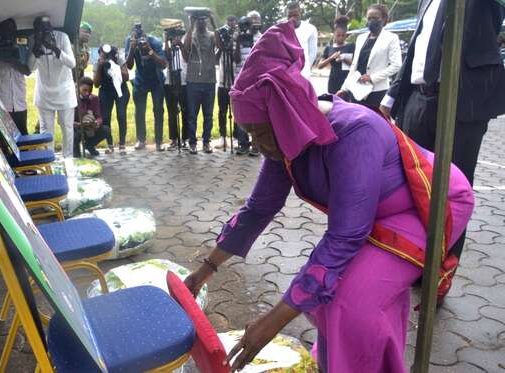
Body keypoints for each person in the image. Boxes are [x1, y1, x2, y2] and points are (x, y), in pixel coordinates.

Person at [183, 22, 474, 372]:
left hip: (426, 204)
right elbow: (258, 209)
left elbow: (344, 236)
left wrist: (269, 324)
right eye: (249, 134)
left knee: (346, 302)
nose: (257, 145)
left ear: (285, 118)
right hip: (371, 217)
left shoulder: (355, 133)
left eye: (260, 133)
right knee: (338, 292)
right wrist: (204, 271)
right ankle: (359, 360)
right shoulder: (285, 144)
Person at [380, 0, 505, 263]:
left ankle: (440, 270)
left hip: (461, 103)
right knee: (411, 184)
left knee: (452, 190)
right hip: (418, 99)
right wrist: (392, 96)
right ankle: (412, 259)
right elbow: (418, 47)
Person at [28, 16, 77, 158]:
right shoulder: (33, 39)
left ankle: (68, 161)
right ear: (35, 30)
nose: (44, 32)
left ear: (51, 27)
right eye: (40, 29)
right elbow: (30, 68)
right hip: (44, 94)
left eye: (47, 28)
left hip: (65, 92)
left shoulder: (62, 37)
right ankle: (48, 162)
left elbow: (72, 63)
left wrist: (54, 48)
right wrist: (36, 49)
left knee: (67, 129)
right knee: (46, 131)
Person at [338, 4, 401, 108]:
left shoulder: (391, 38)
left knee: (374, 122)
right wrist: (344, 88)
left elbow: (396, 65)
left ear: (384, 19)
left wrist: (372, 78)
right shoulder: (361, 38)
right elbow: (354, 66)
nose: (371, 21)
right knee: (356, 120)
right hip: (356, 89)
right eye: (369, 18)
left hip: (376, 91)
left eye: (375, 18)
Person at [125, 24, 168, 151]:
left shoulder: (155, 41)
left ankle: (159, 142)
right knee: (139, 111)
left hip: (156, 79)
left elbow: (164, 64)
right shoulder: (130, 41)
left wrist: (150, 51)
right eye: (138, 39)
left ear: (146, 36)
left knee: (158, 110)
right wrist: (132, 49)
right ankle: (141, 140)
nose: (140, 41)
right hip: (140, 80)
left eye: (142, 38)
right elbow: (129, 65)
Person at [183, 12, 221, 155]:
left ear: (206, 21)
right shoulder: (190, 35)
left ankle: (206, 142)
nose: (200, 22)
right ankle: (192, 142)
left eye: (203, 19)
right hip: (193, 81)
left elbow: (220, 45)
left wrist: (213, 21)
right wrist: (190, 26)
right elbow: (186, 48)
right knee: (192, 114)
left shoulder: (212, 35)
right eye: (197, 20)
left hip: (209, 80)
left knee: (208, 114)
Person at [0, 18, 31, 135]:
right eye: (5, 30)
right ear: (0, 31)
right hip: (0, 103)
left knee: (22, 136)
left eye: (12, 29)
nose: (8, 33)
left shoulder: (21, 45)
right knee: (1, 138)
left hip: (19, 102)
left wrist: (12, 60)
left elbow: (27, 71)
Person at [93, 44, 130, 154]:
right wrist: (100, 66)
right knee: (105, 117)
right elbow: (96, 84)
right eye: (104, 55)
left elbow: (126, 77)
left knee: (121, 115)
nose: (107, 58)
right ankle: (110, 145)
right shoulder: (98, 62)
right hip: (105, 90)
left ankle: (122, 144)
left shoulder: (118, 58)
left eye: (108, 55)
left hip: (120, 89)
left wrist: (115, 66)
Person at [233, 15, 261, 156]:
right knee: (240, 114)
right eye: (243, 25)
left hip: (254, 82)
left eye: (247, 25)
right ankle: (242, 144)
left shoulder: (259, 38)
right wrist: (238, 42)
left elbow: (260, 59)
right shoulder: (236, 38)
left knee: (255, 115)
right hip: (239, 82)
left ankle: (256, 146)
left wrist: (252, 44)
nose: (245, 29)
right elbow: (236, 59)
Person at [163, 22, 189, 151]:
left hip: (184, 81)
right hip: (170, 82)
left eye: (178, 31)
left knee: (185, 111)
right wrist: (166, 40)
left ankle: (185, 139)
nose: (175, 34)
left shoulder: (185, 41)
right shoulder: (167, 44)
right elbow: (167, 58)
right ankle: (174, 139)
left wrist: (180, 44)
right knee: (172, 112)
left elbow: (187, 58)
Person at [216, 15, 237, 151]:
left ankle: (235, 137)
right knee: (222, 110)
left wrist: (234, 40)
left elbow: (238, 57)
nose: (230, 26)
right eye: (228, 24)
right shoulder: (221, 42)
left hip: (234, 82)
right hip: (223, 83)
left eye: (232, 24)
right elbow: (215, 59)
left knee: (235, 110)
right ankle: (222, 136)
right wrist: (221, 41)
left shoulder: (237, 40)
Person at [317, 16, 354, 94]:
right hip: (333, 80)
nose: (340, 38)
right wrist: (331, 58)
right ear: (334, 34)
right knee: (333, 102)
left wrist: (343, 58)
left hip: (347, 80)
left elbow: (355, 65)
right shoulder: (329, 48)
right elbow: (320, 66)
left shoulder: (351, 46)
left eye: (343, 35)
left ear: (346, 35)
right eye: (338, 35)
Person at [73, 77, 107, 157]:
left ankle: (89, 145)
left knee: (106, 130)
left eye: (89, 91)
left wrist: (97, 122)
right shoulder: (72, 100)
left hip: (90, 128)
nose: (87, 93)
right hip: (77, 128)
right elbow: (66, 121)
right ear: (78, 88)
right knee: (75, 136)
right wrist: (79, 124)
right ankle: (75, 150)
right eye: (84, 90)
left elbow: (99, 116)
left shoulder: (94, 99)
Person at [286, 2, 318, 79]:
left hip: (303, 74)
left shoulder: (310, 29)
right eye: (290, 16)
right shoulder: (281, 28)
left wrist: (306, 69)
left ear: (300, 12)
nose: (292, 18)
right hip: (286, 73)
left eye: (295, 15)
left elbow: (312, 53)